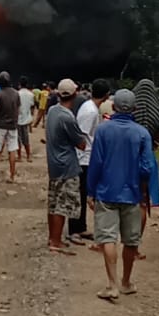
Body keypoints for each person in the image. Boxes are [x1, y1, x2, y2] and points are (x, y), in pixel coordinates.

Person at [87, 88, 152, 301]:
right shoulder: (142, 133)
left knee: (107, 238)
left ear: (113, 107)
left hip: (106, 192)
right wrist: (143, 190)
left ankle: (112, 284)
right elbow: (146, 167)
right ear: (134, 109)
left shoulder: (103, 131)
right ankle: (126, 282)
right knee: (131, 240)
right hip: (132, 194)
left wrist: (90, 190)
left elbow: (95, 163)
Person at [45, 79, 85, 254]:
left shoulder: (53, 111)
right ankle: (56, 241)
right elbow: (81, 144)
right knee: (62, 205)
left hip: (54, 164)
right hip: (67, 166)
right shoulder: (68, 117)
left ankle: (52, 237)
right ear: (75, 94)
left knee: (53, 203)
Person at [133, 78, 159, 238]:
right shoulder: (158, 111)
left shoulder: (131, 109)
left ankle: (124, 239)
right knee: (142, 202)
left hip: (128, 157)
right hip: (147, 156)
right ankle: (135, 243)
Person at [67, 88, 99, 244]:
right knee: (78, 194)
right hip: (82, 158)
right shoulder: (90, 111)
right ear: (106, 95)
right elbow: (82, 135)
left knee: (83, 193)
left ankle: (81, 227)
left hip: (86, 157)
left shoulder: (90, 107)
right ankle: (73, 230)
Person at [0, 71, 19, 182]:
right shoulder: (16, 93)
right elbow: (17, 110)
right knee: (12, 150)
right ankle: (12, 176)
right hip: (12, 126)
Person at [17, 77, 35, 162]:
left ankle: (19, 156)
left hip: (17, 119)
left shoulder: (17, 94)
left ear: (19, 85)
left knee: (18, 139)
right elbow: (32, 107)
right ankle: (28, 156)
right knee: (26, 138)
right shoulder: (31, 94)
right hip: (26, 119)